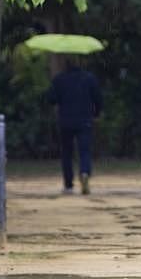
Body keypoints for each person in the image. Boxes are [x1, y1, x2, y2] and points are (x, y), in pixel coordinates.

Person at [48, 57, 102, 195]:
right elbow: (98, 98)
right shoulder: (89, 78)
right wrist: (96, 114)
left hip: (65, 120)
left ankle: (68, 184)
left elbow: (51, 99)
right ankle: (84, 172)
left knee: (66, 152)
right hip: (85, 120)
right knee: (84, 150)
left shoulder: (59, 79)